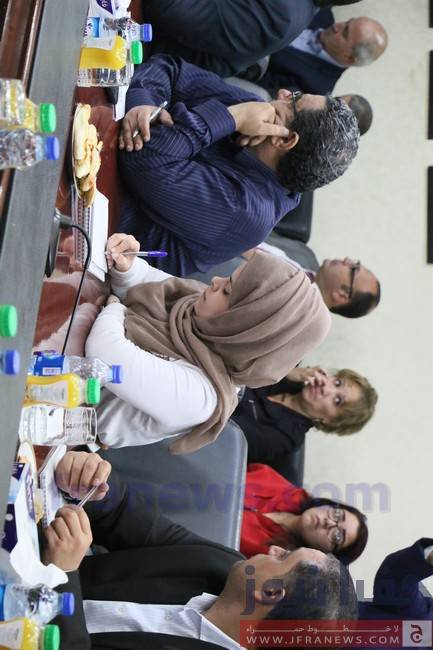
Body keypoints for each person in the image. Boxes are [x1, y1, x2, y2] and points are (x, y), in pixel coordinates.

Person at [46, 451, 358, 650]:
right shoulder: (223, 565)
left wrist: (63, 577)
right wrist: (95, 483)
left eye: (284, 557)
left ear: (271, 592)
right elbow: (130, 518)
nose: (276, 548)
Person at [85, 233, 331, 454]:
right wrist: (127, 265)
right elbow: (146, 281)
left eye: (228, 291)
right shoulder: (199, 315)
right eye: (228, 278)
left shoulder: (203, 398)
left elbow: (103, 355)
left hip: (68, 408)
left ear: (245, 327)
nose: (215, 281)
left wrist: (117, 307)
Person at [117, 55, 360, 276]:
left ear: (285, 140)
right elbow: (171, 69)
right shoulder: (259, 110)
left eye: (293, 100)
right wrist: (143, 104)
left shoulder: (248, 212)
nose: (284, 92)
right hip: (106, 148)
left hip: (102, 231)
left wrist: (232, 117)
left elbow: (142, 158)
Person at [142, 0, 363, 78]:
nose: (338, 28)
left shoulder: (283, 12)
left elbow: (171, 9)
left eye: (345, 33)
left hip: (142, 39)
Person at [232, 365, 378, 477]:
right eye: (337, 383)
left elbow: (228, 426)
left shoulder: (286, 438)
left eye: (337, 400)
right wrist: (286, 371)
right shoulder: (288, 371)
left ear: (330, 421)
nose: (326, 389)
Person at [192, 245, 381, 320]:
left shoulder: (295, 304)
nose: (348, 260)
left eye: (353, 269)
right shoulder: (304, 266)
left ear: (341, 295)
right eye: (356, 263)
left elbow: (246, 252)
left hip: (198, 265)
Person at [241, 463, 368, 564]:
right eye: (338, 515)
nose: (329, 522)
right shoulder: (291, 493)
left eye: (337, 536)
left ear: (327, 554)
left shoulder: (274, 559)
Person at [254, 12, 388, 96]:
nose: (337, 26)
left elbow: (259, 85)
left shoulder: (315, 88)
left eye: (344, 33)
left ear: (349, 58)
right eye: (347, 22)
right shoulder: (323, 12)